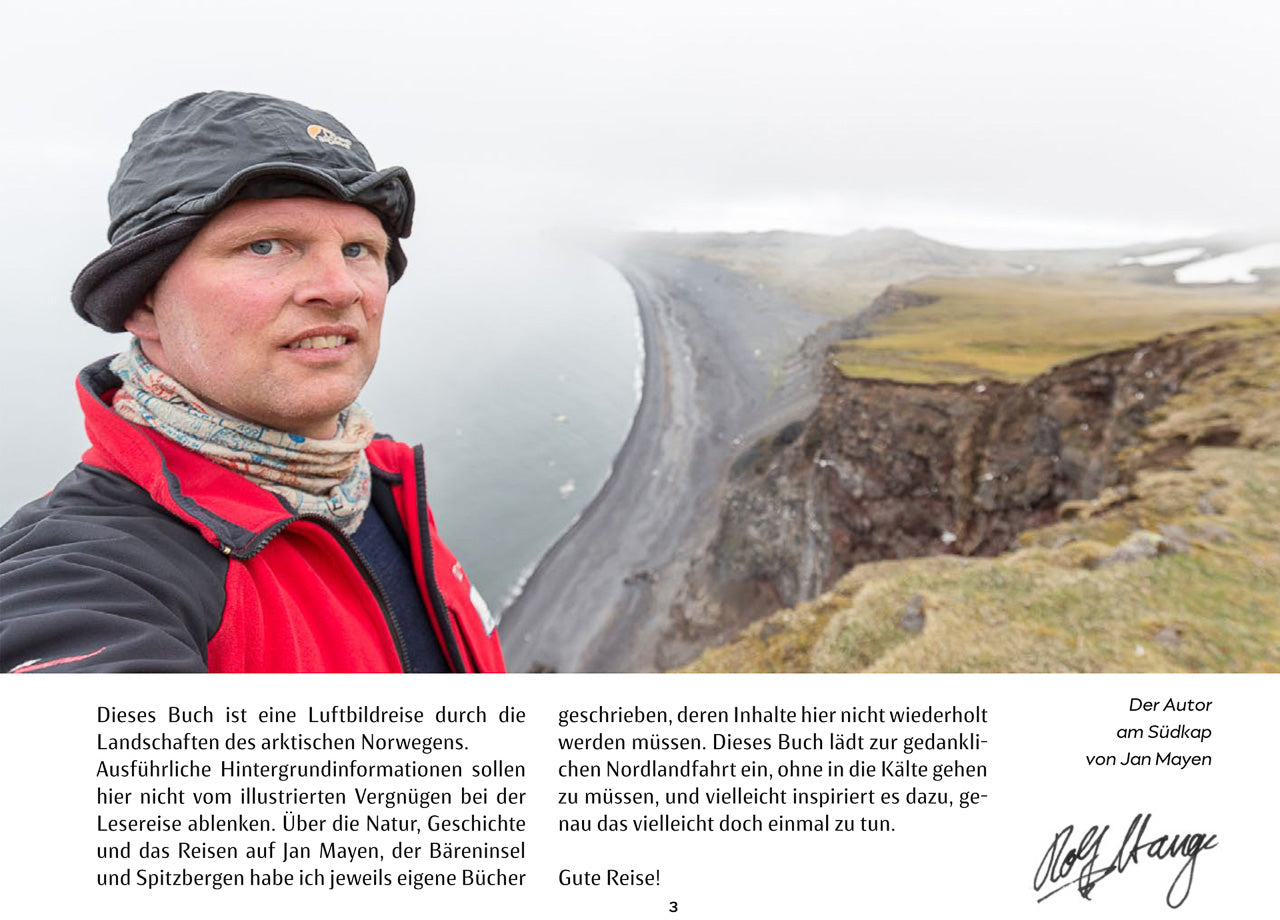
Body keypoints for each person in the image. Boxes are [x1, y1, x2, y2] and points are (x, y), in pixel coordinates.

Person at [0, 91, 504, 673]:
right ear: (143, 303)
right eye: (265, 246)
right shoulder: (89, 574)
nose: (340, 289)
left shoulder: (374, 485)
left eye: (359, 249)